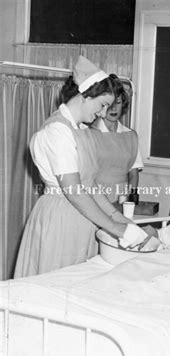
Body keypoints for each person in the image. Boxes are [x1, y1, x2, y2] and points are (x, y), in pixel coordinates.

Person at [14, 56, 147, 278]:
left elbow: (90, 185)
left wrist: (118, 217)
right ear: (86, 95)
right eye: (103, 105)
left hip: (82, 216)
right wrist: (115, 229)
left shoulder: (81, 130)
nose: (104, 113)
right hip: (62, 217)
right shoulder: (57, 131)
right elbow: (75, 191)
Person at [90, 74, 144, 203]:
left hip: (123, 198)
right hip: (96, 196)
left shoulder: (131, 136)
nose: (114, 108)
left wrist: (129, 199)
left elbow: (133, 173)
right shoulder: (90, 133)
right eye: (110, 104)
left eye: (118, 102)